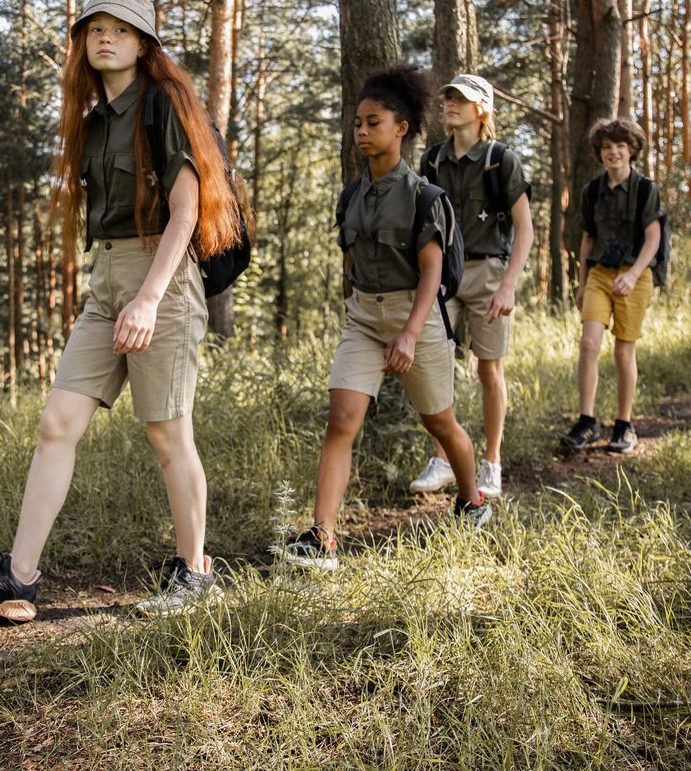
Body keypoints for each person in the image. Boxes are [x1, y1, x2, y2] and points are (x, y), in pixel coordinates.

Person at [0, 0, 244, 619]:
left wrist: (149, 299)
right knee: (57, 424)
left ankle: (193, 575)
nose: (105, 37)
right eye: (95, 27)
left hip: (161, 275)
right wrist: (119, 294)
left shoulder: (165, 105)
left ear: (143, 44)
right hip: (107, 280)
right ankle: (17, 581)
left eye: (121, 29)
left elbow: (188, 210)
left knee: (167, 434)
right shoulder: (93, 118)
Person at [283, 65, 492, 571]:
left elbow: (431, 273)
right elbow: (350, 262)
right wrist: (361, 313)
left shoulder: (425, 197)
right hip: (363, 319)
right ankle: (323, 538)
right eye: (357, 122)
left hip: (414, 317)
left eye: (373, 122)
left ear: (401, 128)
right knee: (341, 420)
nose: (361, 131)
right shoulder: (351, 196)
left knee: (439, 421)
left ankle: (472, 500)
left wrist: (408, 333)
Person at [408, 75, 533, 499]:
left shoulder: (501, 160)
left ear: (481, 109)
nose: (450, 105)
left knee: (488, 369)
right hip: (443, 276)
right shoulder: (432, 160)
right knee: (434, 364)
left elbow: (525, 230)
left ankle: (491, 463)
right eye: (448, 98)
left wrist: (508, 287)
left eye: (460, 99)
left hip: (489, 274)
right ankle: (442, 458)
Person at [559, 117, 662, 456]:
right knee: (589, 343)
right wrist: (582, 283)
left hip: (635, 276)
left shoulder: (645, 189)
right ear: (600, 152)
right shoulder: (592, 191)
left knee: (622, 350)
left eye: (620, 146)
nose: (613, 152)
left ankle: (624, 425)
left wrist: (632, 275)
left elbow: (653, 238)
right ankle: (586, 421)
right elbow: (588, 238)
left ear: (631, 151)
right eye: (607, 147)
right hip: (600, 275)